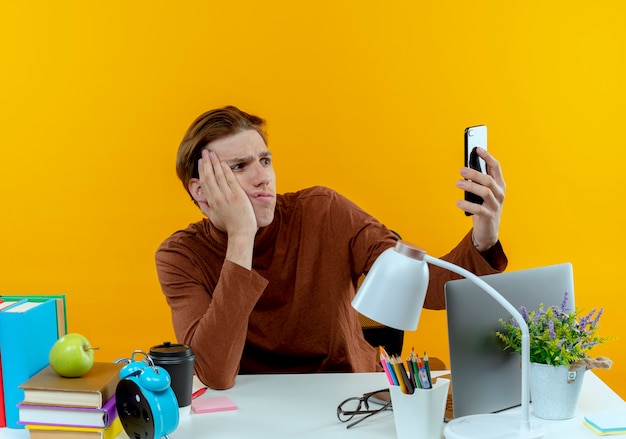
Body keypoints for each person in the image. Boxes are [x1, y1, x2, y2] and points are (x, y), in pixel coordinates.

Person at [155, 106, 507, 390]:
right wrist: (241, 235)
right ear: (201, 191)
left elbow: (427, 289)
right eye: (240, 167)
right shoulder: (180, 256)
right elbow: (213, 373)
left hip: (346, 395)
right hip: (252, 406)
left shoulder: (323, 211)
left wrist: (484, 238)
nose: (263, 176)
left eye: (265, 160)